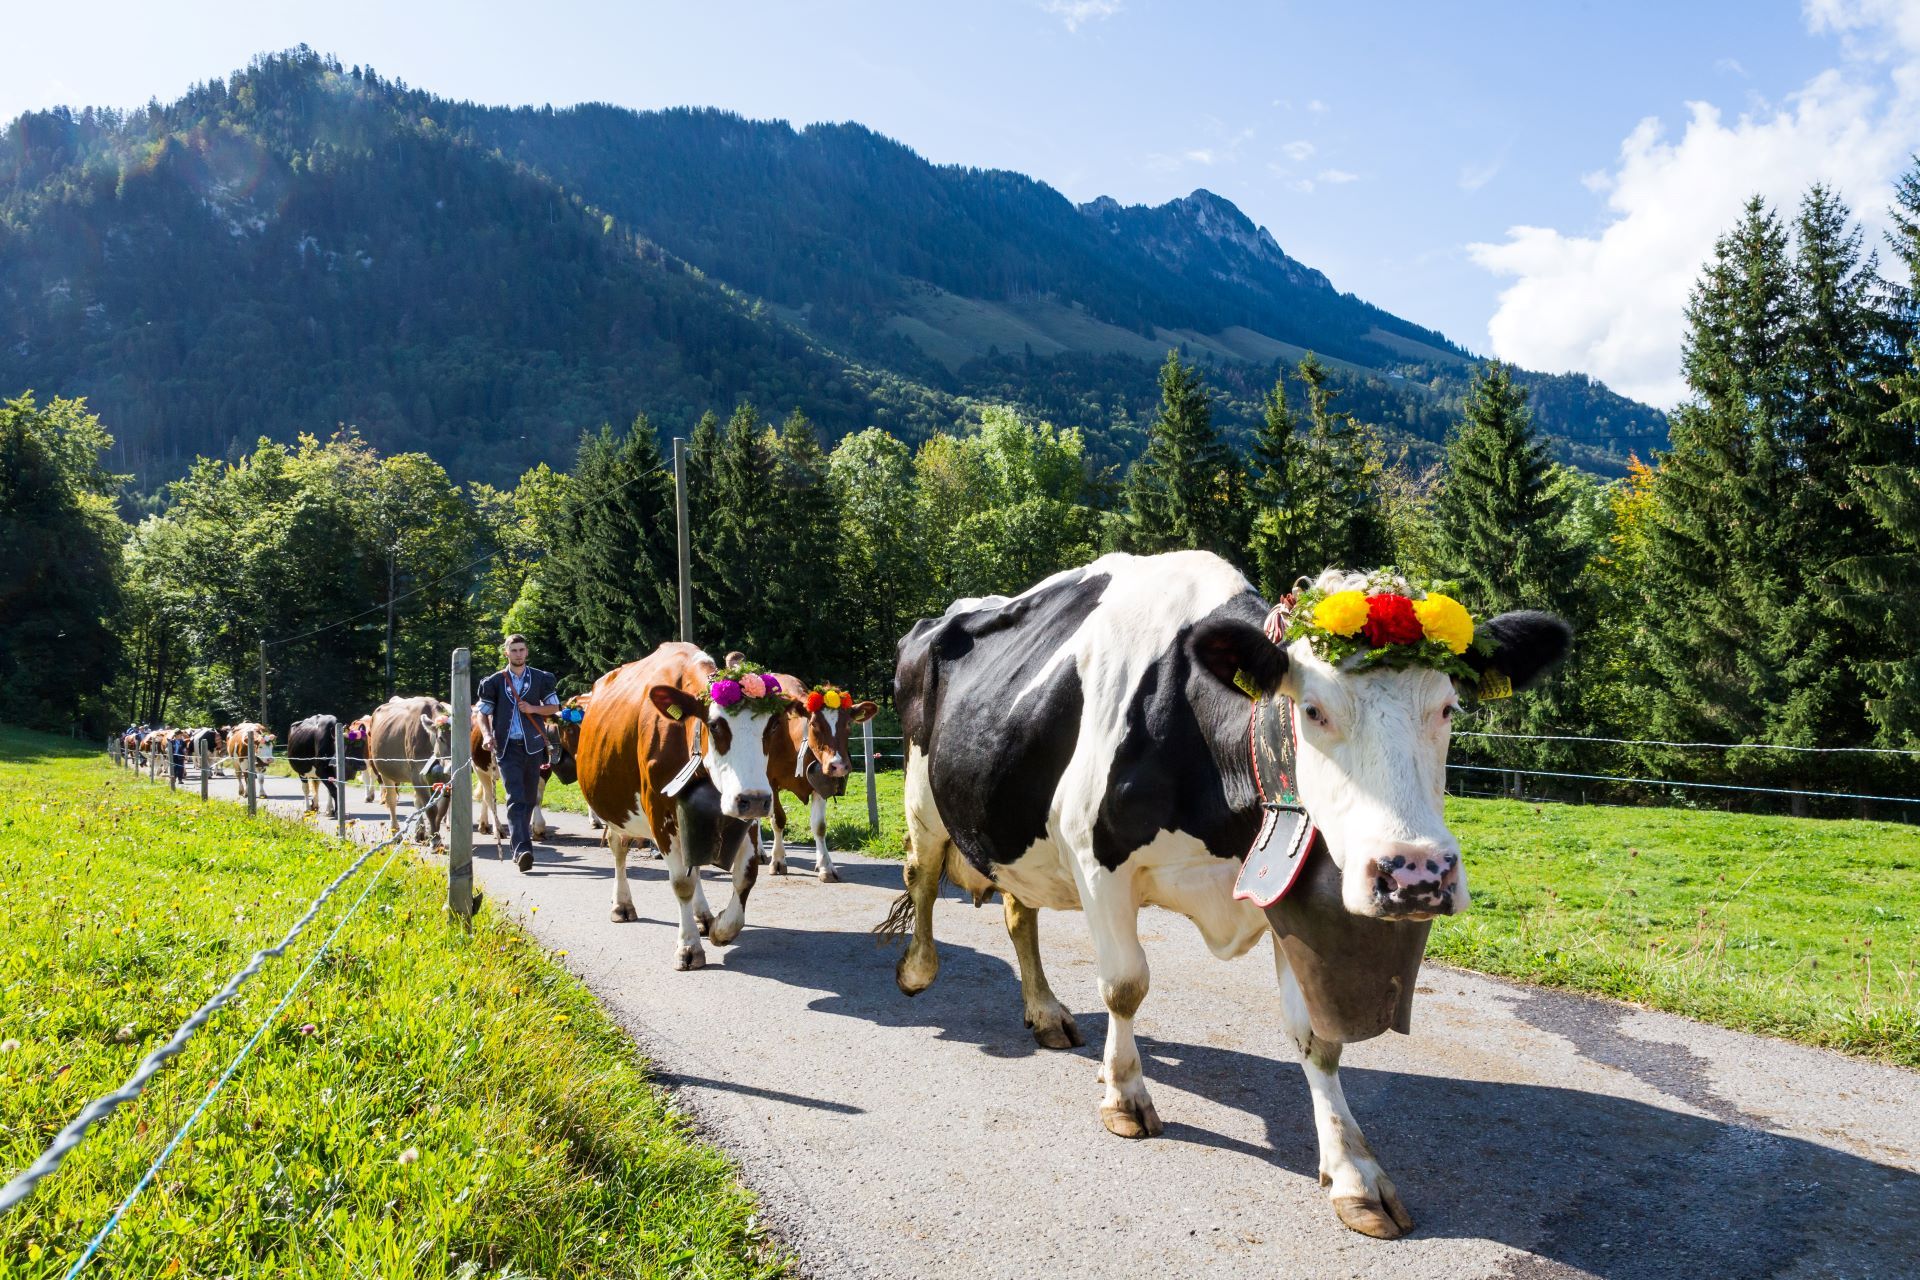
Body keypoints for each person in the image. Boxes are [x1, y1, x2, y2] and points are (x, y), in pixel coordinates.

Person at [475, 634, 561, 872]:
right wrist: (486, 735)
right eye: (514, 650)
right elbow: (482, 713)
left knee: (529, 797)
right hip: (506, 747)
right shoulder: (494, 682)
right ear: (506, 653)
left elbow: (554, 707)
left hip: (533, 746)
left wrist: (533, 708)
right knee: (515, 797)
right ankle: (523, 849)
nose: (519, 654)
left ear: (527, 651)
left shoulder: (541, 679)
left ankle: (519, 846)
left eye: (522, 650)